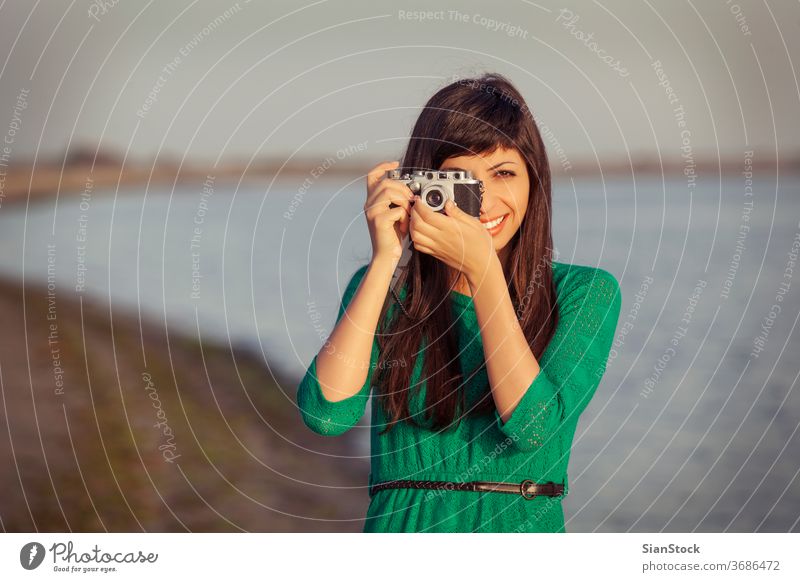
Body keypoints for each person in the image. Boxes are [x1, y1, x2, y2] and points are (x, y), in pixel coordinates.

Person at [296, 72, 622, 533]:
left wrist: (483, 272)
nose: (483, 201)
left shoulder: (584, 294)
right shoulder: (385, 292)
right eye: (457, 181)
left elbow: (532, 427)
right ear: (419, 186)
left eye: (503, 173)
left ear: (534, 180)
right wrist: (386, 257)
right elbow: (326, 415)